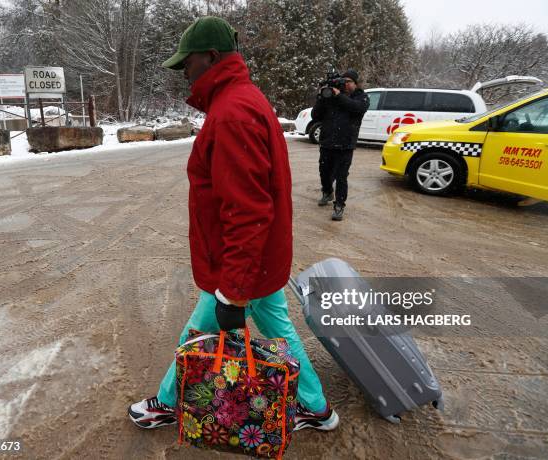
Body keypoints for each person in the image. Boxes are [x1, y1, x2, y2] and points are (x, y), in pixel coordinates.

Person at [128, 16, 338, 433]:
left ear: (212, 57)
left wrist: (233, 290)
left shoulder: (231, 114)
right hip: (254, 260)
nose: (183, 72)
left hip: (241, 263)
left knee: (206, 329)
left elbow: (248, 211)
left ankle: (171, 401)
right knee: (268, 328)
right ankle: (315, 407)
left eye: (187, 62)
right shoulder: (244, 99)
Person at [311, 70, 369, 221]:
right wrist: (321, 97)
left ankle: (339, 205)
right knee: (324, 173)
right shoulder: (330, 97)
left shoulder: (361, 97)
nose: (346, 83)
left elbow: (357, 108)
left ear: (356, 83)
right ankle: (327, 191)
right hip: (327, 142)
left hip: (346, 145)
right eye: (344, 81)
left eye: (349, 81)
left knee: (341, 177)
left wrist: (339, 95)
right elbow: (315, 116)